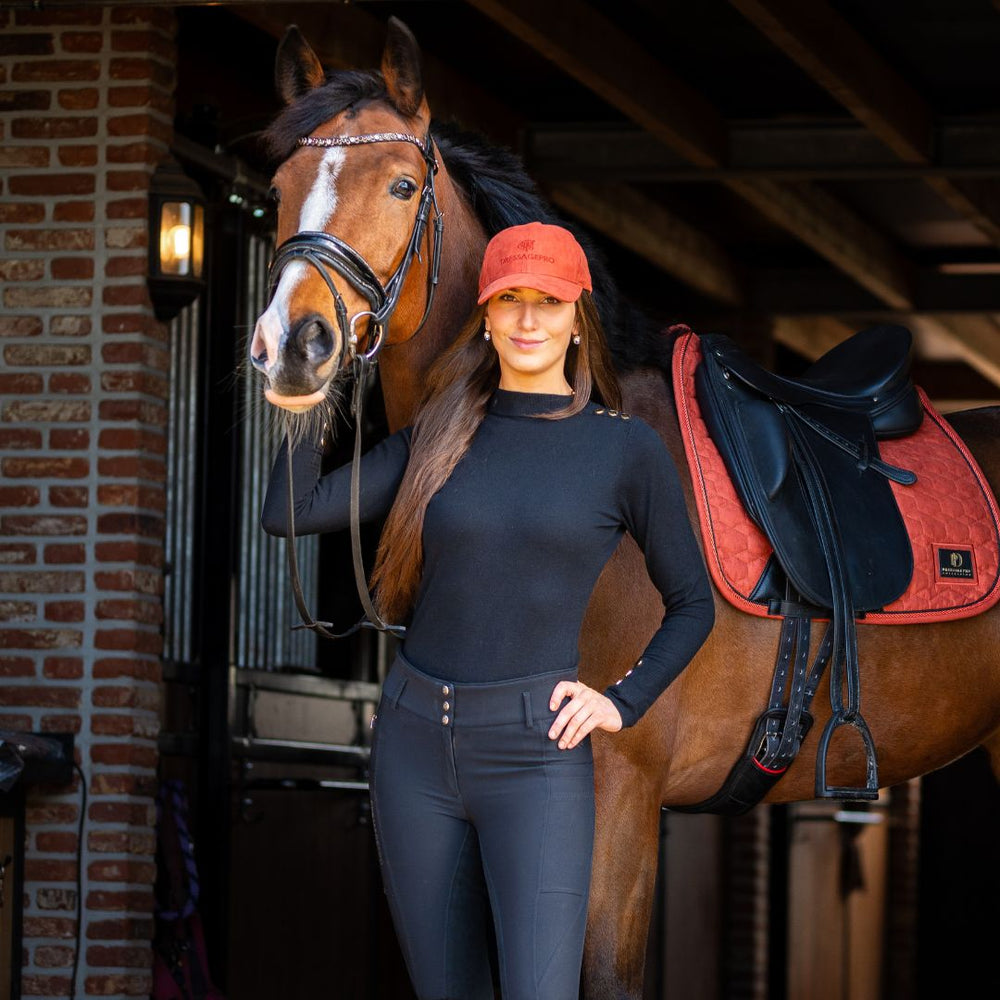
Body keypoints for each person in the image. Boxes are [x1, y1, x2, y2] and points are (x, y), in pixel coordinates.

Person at [261, 221, 714, 1000]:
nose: (529, 320)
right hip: (412, 747)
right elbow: (292, 511)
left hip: (535, 757)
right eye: (510, 300)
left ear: (578, 319)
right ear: (487, 315)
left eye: (547, 301)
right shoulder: (437, 434)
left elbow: (692, 604)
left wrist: (619, 701)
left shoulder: (622, 451)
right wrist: (309, 381)